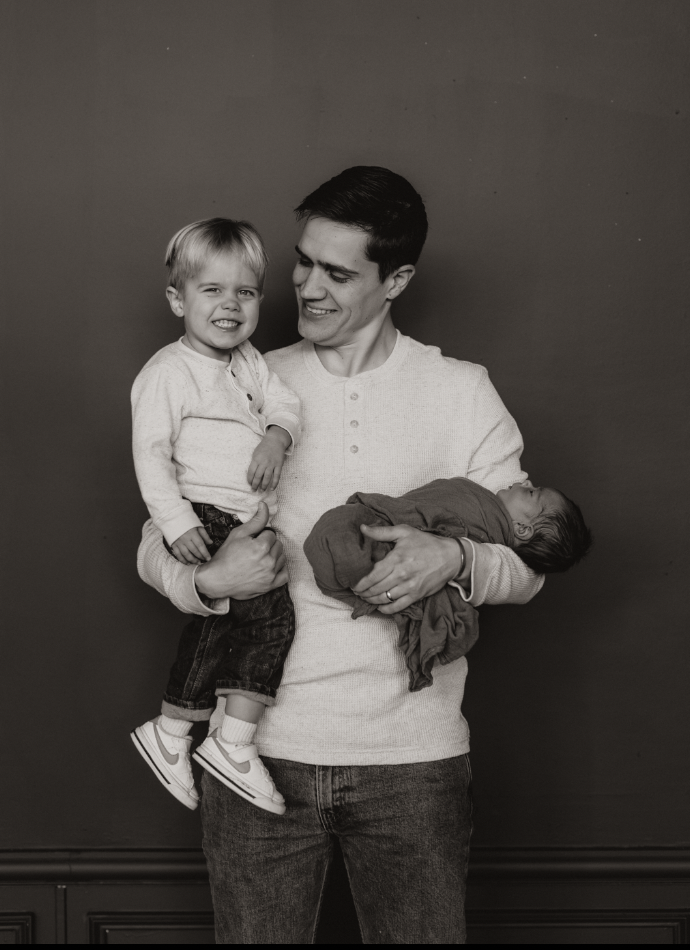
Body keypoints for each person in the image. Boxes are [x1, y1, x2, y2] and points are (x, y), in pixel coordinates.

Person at [137, 166, 544, 944]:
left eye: (336, 271)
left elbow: (527, 565)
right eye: (300, 263)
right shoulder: (247, 377)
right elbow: (157, 543)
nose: (306, 287)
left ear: (397, 279)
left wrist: (452, 559)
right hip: (252, 759)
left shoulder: (461, 392)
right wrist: (203, 581)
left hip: (415, 767)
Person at [130, 219, 301, 815]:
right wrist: (177, 524)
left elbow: (284, 401)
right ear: (178, 299)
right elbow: (150, 458)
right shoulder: (167, 374)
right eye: (212, 290)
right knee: (270, 623)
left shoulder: (248, 361)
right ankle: (232, 741)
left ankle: (174, 734)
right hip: (206, 513)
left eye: (246, 293)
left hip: (243, 518)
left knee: (225, 627)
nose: (230, 305)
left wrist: (276, 438)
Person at [305, 475, 592, 692]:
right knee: (339, 536)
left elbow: (528, 576)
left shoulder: (492, 513)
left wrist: (457, 554)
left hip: (415, 725)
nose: (523, 480)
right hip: (305, 681)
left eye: (530, 491)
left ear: (523, 529)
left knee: (340, 539)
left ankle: (360, 566)